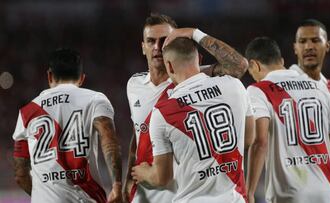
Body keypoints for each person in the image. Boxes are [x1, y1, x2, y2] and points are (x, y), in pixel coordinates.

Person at [124, 13, 249, 203]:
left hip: (183, 191)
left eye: (164, 40)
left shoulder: (193, 74)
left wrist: (194, 33)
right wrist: (126, 182)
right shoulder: (134, 84)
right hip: (147, 193)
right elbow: (139, 132)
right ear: (143, 47)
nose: (157, 47)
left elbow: (239, 66)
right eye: (151, 41)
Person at [245, 37, 330, 203]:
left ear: (254, 65)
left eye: (251, 72)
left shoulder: (258, 90)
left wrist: (249, 191)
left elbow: (260, 142)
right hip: (325, 191)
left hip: (289, 193)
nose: (254, 77)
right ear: (282, 61)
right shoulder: (319, 86)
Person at [12, 48, 123, 203]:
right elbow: (110, 143)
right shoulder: (95, 99)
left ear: (49, 76)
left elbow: (20, 174)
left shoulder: (27, 112)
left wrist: (43, 196)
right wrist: (117, 185)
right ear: (82, 78)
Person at [291, 19, 330, 202]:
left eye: (315, 40)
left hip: (325, 192)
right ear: (295, 47)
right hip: (292, 192)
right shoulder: (281, 87)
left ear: (327, 45)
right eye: (303, 41)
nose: (309, 46)